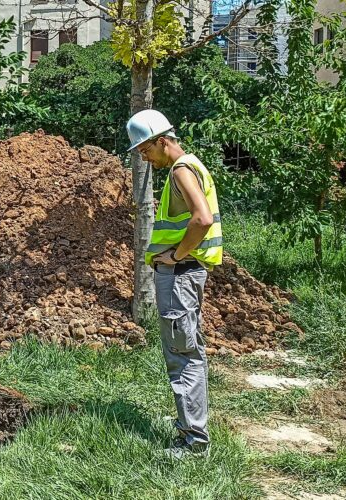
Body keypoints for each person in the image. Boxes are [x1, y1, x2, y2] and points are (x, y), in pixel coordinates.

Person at [126, 109, 223, 459]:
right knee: (187, 350)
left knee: (182, 355)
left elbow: (202, 219)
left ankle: (193, 442)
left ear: (163, 141)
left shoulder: (182, 170)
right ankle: (189, 422)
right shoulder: (192, 166)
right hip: (186, 274)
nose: (144, 157)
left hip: (181, 274)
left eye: (146, 150)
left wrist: (176, 255)